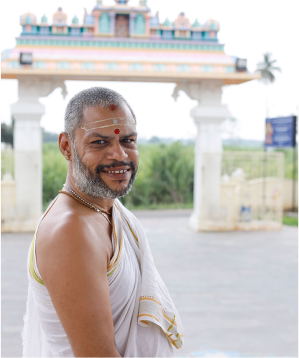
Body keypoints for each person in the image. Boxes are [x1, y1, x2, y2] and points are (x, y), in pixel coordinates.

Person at [22, 87, 183, 358]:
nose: (119, 155)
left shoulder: (104, 209)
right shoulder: (70, 231)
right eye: (99, 142)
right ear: (66, 146)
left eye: (128, 141)